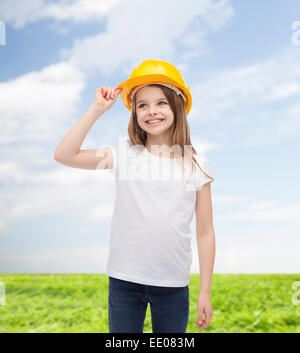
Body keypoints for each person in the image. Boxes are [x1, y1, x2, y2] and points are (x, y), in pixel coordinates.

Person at [54, 59, 216, 333]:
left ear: (178, 105)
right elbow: (64, 155)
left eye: (161, 102)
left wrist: (205, 291)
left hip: (174, 284)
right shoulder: (123, 155)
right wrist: (96, 110)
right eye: (142, 104)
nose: (151, 111)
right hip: (125, 281)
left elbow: (205, 231)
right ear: (134, 112)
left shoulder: (196, 164)